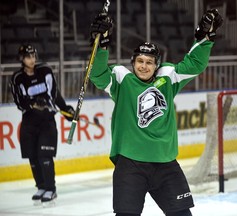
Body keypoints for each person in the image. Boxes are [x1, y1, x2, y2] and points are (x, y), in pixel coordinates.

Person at [89, 9, 223, 216]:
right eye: (140, 61)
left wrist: (203, 37)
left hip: (165, 164)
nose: (144, 66)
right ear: (133, 62)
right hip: (130, 165)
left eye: (149, 62)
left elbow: (196, 64)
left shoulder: (168, 77)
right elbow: (97, 74)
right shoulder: (122, 80)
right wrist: (101, 42)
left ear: (156, 65)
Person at [10, 44, 75, 206]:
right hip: (29, 122)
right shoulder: (17, 78)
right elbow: (19, 102)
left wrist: (66, 109)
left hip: (46, 121)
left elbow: (54, 94)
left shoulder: (45, 70)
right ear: (22, 59)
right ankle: (41, 186)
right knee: (32, 156)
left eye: (33, 56)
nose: (32, 59)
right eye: (28, 56)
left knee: (44, 155)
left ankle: (51, 189)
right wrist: (32, 103)